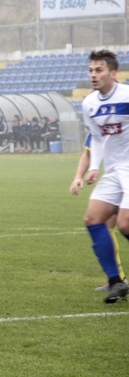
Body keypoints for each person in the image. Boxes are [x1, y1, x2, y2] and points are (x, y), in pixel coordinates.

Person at [78, 49, 129, 304]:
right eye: (90, 70)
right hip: (114, 170)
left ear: (112, 72)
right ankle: (116, 282)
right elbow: (97, 138)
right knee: (92, 219)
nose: (93, 75)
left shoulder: (127, 95)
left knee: (125, 223)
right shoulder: (89, 103)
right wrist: (93, 166)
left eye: (98, 70)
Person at [70, 133, 125, 292]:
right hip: (115, 181)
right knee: (103, 223)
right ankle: (117, 279)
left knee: (122, 224)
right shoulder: (99, 122)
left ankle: (117, 280)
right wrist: (78, 176)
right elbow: (88, 153)